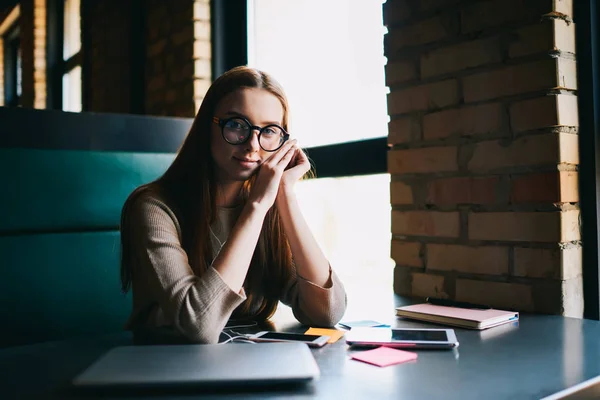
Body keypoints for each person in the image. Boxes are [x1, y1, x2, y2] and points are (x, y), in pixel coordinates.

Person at [119, 66, 347, 344]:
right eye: (237, 125)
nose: (253, 144)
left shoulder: (267, 207)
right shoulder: (153, 207)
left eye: (269, 131)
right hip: (164, 367)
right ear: (208, 127)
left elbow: (327, 312)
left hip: (245, 361)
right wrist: (258, 206)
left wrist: (285, 194)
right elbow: (198, 325)